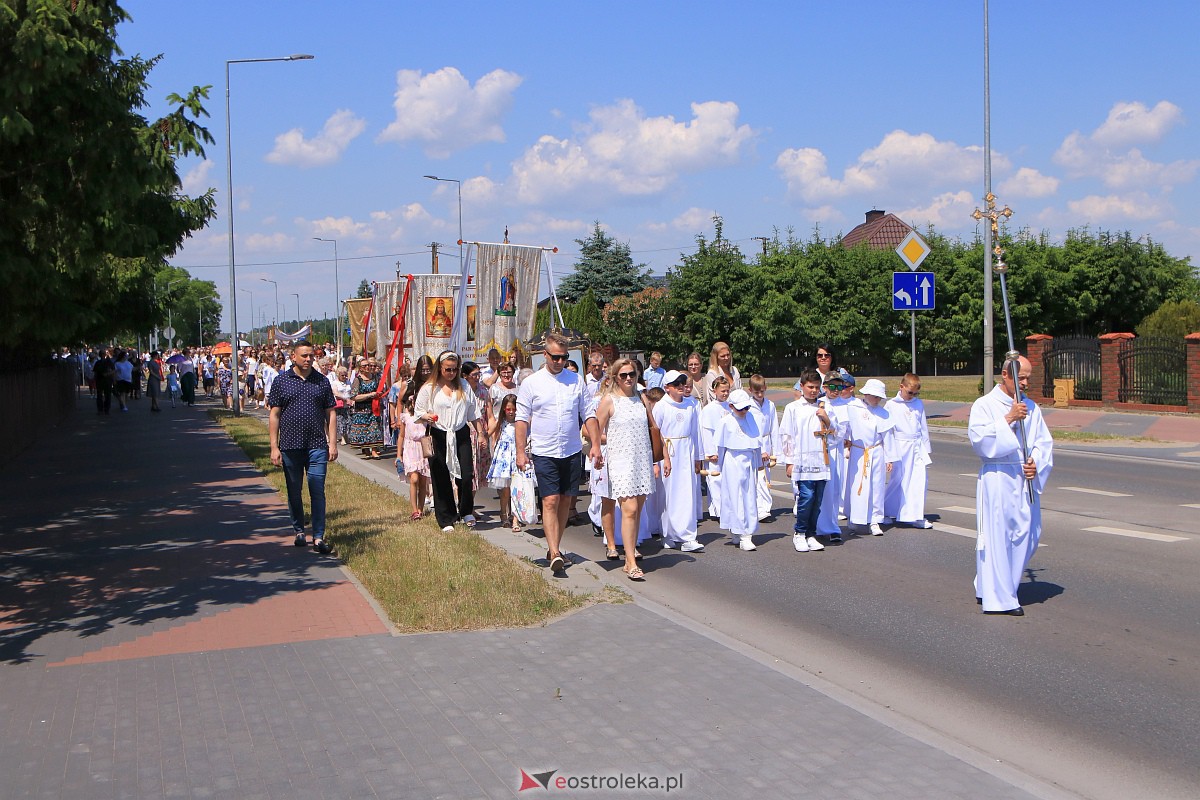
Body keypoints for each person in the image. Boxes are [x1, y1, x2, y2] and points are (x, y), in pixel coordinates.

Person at [969, 356, 1053, 616]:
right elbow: (979, 440)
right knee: (997, 538)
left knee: (1028, 536)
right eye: (1022, 377)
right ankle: (1001, 600)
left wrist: (1035, 462)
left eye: (1028, 377)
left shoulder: (1031, 407)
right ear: (1006, 375)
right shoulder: (985, 404)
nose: (1026, 383)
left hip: (1023, 478)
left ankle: (990, 585)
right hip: (998, 477)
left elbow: (1043, 442)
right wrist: (1008, 419)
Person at [515, 332, 601, 574]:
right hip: (544, 450)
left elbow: (589, 414)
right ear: (545, 355)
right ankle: (554, 552)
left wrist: (595, 444)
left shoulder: (576, 381)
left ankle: (556, 545)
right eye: (555, 357)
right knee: (550, 499)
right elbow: (521, 420)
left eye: (563, 357)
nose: (559, 362)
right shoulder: (532, 383)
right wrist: (521, 453)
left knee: (565, 500)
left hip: (571, 449)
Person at [268, 340, 338, 554]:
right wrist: (274, 446)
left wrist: (332, 443)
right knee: (294, 491)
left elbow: (331, 412)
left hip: (317, 445)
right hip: (290, 446)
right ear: (294, 357)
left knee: (317, 490)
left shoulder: (322, 381)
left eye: (311, 356)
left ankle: (318, 536)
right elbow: (274, 414)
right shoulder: (281, 381)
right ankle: (299, 530)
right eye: (304, 356)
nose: (308, 359)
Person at [594, 358, 658, 580]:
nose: (629, 378)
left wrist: (661, 458)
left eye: (632, 374)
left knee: (636, 510)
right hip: (621, 461)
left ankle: (629, 555)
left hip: (641, 460)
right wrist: (598, 446)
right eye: (623, 375)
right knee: (629, 509)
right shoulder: (609, 401)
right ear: (615, 378)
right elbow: (592, 428)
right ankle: (630, 561)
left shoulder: (641, 398)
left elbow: (653, 428)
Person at [416, 351, 486, 531]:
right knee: (440, 477)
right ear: (440, 368)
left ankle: (465, 510)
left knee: (466, 474)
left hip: (460, 433)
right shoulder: (429, 388)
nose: (451, 373)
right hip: (438, 433)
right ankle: (446, 518)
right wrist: (428, 416)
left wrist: (481, 433)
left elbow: (473, 412)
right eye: (448, 369)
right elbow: (418, 411)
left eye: (455, 369)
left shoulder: (463, 385)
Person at [779, 370, 843, 552]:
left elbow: (836, 436)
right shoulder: (793, 408)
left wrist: (826, 418)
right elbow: (787, 435)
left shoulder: (825, 407)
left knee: (818, 500)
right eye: (810, 387)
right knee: (806, 497)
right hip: (802, 460)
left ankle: (811, 533)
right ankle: (799, 533)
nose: (813, 391)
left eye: (816, 387)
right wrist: (789, 461)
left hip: (821, 461)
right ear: (802, 387)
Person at [653, 371, 704, 552]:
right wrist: (656, 461)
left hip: (687, 450)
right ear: (667, 388)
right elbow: (655, 433)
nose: (681, 386)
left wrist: (699, 457)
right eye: (677, 384)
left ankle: (688, 536)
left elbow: (697, 432)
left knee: (687, 492)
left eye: (683, 382)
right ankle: (667, 532)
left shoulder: (691, 405)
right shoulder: (661, 406)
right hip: (669, 452)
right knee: (668, 493)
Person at [713, 389, 762, 551]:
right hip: (732, 460)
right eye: (740, 409)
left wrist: (759, 461)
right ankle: (738, 530)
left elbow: (756, 442)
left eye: (746, 408)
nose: (744, 412)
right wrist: (719, 466)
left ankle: (747, 532)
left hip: (749, 459)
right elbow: (721, 446)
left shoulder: (751, 418)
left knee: (749, 496)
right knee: (734, 495)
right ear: (731, 406)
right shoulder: (726, 421)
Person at [846, 379, 895, 536]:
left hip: (876, 452)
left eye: (879, 397)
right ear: (866, 394)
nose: (877, 400)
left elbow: (888, 437)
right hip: (858, 452)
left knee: (876, 486)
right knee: (856, 485)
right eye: (874, 396)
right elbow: (847, 428)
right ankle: (854, 518)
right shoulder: (853, 407)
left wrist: (889, 458)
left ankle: (874, 520)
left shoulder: (883, 414)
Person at [884, 374, 933, 528]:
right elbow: (887, 430)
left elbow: (922, 426)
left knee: (919, 480)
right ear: (901, 387)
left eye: (916, 393)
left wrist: (926, 448)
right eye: (910, 393)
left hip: (916, 446)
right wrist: (889, 454)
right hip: (900, 446)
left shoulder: (918, 404)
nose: (912, 396)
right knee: (898, 481)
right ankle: (886, 510)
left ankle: (915, 515)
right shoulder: (891, 405)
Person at [815, 372, 853, 543]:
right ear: (825, 387)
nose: (836, 390)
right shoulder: (819, 403)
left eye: (839, 387)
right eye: (832, 386)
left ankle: (832, 526)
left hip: (835, 450)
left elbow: (840, 434)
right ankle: (816, 524)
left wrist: (829, 421)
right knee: (819, 489)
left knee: (834, 489)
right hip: (819, 449)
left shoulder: (844, 406)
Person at [395, 384, 431, 521]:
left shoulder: (426, 419)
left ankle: (420, 510)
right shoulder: (406, 417)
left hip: (423, 449)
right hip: (410, 449)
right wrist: (399, 455)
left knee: (423, 481)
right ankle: (414, 509)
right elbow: (402, 436)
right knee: (414, 478)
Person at [486, 394, 521, 531]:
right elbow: (490, 434)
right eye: (508, 409)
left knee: (516, 489)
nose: (511, 412)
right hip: (504, 457)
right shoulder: (500, 422)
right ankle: (503, 513)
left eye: (514, 409)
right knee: (505, 490)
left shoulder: (520, 422)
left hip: (516, 455)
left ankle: (515, 519)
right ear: (504, 410)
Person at [698, 376, 731, 518]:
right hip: (714, 449)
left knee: (726, 480)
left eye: (727, 390)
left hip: (728, 447)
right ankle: (719, 510)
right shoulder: (709, 409)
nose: (725, 393)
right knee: (715, 479)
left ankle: (716, 509)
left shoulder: (731, 406)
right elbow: (707, 431)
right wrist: (710, 452)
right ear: (714, 390)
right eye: (722, 390)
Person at [746, 374, 778, 522]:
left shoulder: (770, 405)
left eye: (762, 391)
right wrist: (759, 449)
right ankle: (759, 508)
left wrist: (775, 451)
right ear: (750, 390)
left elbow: (774, 428)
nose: (759, 395)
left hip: (767, 441)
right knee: (757, 477)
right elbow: (750, 429)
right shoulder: (748, 406)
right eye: (756, 392)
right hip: (754, 444)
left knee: (766, 476)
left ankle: (764, 508)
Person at [348, 357, 385, 458]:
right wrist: (369, 395)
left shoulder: (375, 377)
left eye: (368, 365)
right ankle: (366, 449)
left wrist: (379, 394)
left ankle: (374, 450)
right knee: (364, 430)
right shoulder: (357, 380)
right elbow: (354, 396)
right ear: (360, 368)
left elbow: (380, 390)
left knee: (374, 428)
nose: (368, 367)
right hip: (361, 409)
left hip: (373, 408)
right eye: (365, 366)